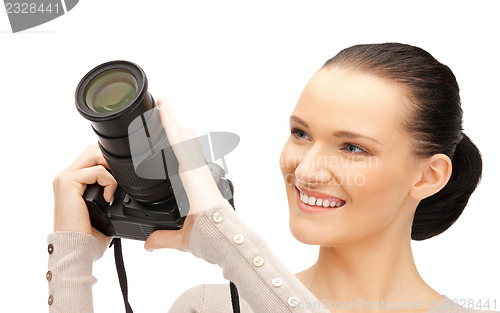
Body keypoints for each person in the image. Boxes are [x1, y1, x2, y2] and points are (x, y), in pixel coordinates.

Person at [46, 43, 498, 313]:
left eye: (353, 147)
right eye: (301, 134)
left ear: (428, 176)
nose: (305, 169)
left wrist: (222, 235)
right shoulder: (208, 308)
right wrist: (72, 259)